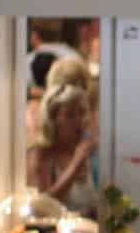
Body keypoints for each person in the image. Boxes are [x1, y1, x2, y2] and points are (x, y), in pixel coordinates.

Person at [26, 82, 100, 216]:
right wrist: (77, 162)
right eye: (70, 115)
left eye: (82, 112)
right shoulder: (40, 155)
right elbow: (43, 207)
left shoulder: (87, 151)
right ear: (52, 121)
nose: (79, 120)